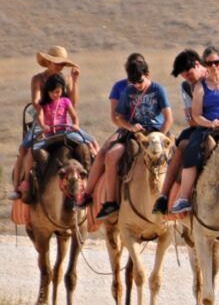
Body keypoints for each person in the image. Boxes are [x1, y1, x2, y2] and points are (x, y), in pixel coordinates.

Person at [78, 57, 173, 219]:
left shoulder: (158, 90)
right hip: (134, 133)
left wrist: (160, 136)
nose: (137, 86)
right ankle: (110, 202)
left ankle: (175, 201)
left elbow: (169, 118)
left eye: (140, 82)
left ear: (148, 74)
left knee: (178, 156)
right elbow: (119, 117)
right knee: (110, 155)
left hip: (156, 133)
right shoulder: (128, 91)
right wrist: (131, 127)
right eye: (133, 82)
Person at [169, 46, 219, 215]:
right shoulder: (195, 86)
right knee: (188, 149)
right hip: (206, 126)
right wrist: (208, 123)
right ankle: (179, 197)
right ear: (205, 64)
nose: (214, 66)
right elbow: (193, 116)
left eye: (217, 62)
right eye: (211, 63)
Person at [11, 46, 81, 198]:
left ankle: (87, 187)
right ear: (48, 62)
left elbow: (72, 104)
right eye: (57, 63)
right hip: (43, 119)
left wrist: (74, 81)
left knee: (87, 145)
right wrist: (45, 105)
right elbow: (36, 102)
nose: (59, 66)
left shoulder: (65, 79)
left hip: (63, 121)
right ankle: (18, 186)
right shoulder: (38, 79)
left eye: (62, 64)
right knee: (24, 150)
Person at [10, 75, 94, 199]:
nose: (55, 94)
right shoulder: (43, 104)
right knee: (32, 152)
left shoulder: (66, 101)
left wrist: (75, 124)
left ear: (62, 91)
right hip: (50, 135)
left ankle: (92, 180)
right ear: (48, 92)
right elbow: (39, 117)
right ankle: (26, 181)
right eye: (52, 92)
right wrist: (43, 126)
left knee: (88, 146)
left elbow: (74, 116)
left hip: (65, 131)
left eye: (58, 92)